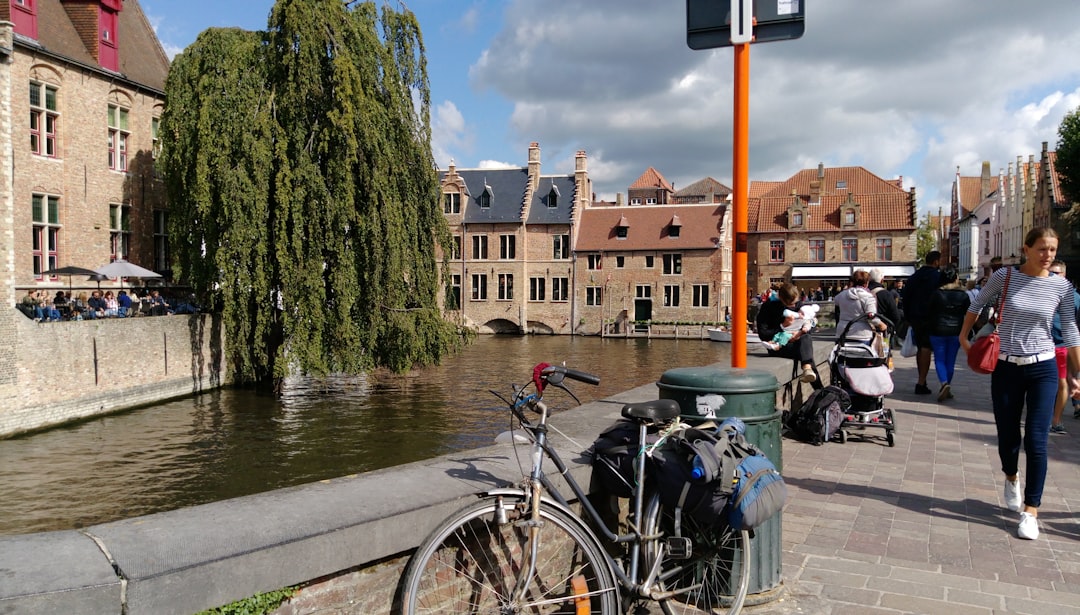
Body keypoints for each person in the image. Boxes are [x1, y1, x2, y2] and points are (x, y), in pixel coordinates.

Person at [959, 228, 1080, 540]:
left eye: (1053, 250)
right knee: (1008, 434)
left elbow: (1070, 329)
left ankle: (1031, 511)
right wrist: (964, 336)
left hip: (1044, 367)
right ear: (1027, 249)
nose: (1048, 256)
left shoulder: (1062, 287)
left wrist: (1078, 374)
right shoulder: (1004, 277)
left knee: (1037, 440)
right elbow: (977, 305)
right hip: (1007, 367)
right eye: (1042, 249)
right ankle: (1011, 476)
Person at [756, 282, 822, 388]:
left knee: (806, 338)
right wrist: (782, 326)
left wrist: (799, 333)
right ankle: (819, 388)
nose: (794, 306)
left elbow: (810, 322)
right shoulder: (768, 307)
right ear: (782, 300)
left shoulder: (798, 304)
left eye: (795, 303)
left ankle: (809, 371)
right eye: (791, 304)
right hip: (778, 346)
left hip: (796, 341)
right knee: (805, 351)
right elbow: (763, 334)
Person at [925, 265, 970, 402]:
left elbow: (929, 311)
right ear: (956, 278)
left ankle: (944, 383)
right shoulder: (963, 295)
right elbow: (968, 313)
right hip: (956, 330)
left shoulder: (936, 294)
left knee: (939, 359)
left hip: (937, 330)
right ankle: (946, 385)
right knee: (951, 360)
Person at [902, 250, 941, 394]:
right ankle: (921, 382)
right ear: (936, 262)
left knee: (921, 348)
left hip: (915, 317)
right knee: (926, 348)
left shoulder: (914, 276)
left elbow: (905, 297)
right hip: (931, 318)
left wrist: (908, 317)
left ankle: (922, 380)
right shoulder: (937, 277)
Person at [1048, 260, 1080, 434]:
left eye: (1057, 272)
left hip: (1061, 344)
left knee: (1062, 383)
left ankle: (1056, 420)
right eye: (1050, 272)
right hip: (1040, 345)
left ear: (1064, 274)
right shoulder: (1042, 291)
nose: (1053, 275)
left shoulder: (1074, 297)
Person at [834, 269, 888, 344]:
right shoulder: (868, 297)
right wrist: (881, 324)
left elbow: (836, 301)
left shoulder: (842, 295)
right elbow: (872, 317)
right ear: (866, 283)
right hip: (861, 333)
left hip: (842, 332)